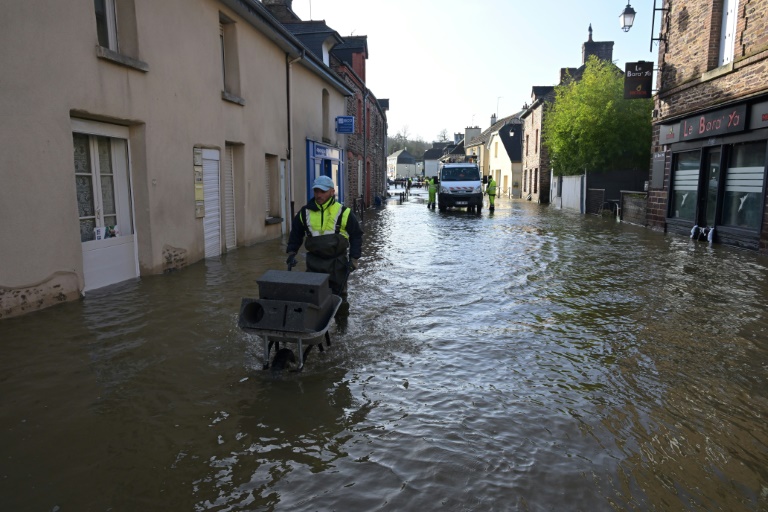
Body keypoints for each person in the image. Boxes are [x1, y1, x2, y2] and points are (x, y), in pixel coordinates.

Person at [286, 175, 363, 319]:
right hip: (314, 262)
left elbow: (356, 235)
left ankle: (341, 329)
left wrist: (354, 258)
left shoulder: (344, 212)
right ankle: (317, 327)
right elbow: (296, 233)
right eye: (316, 191)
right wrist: (291, 252)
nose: (318, 195)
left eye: (322, 191)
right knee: (312, 297)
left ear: (332, 192)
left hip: (337, 263)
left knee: (339, 298)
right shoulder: (305, 212)